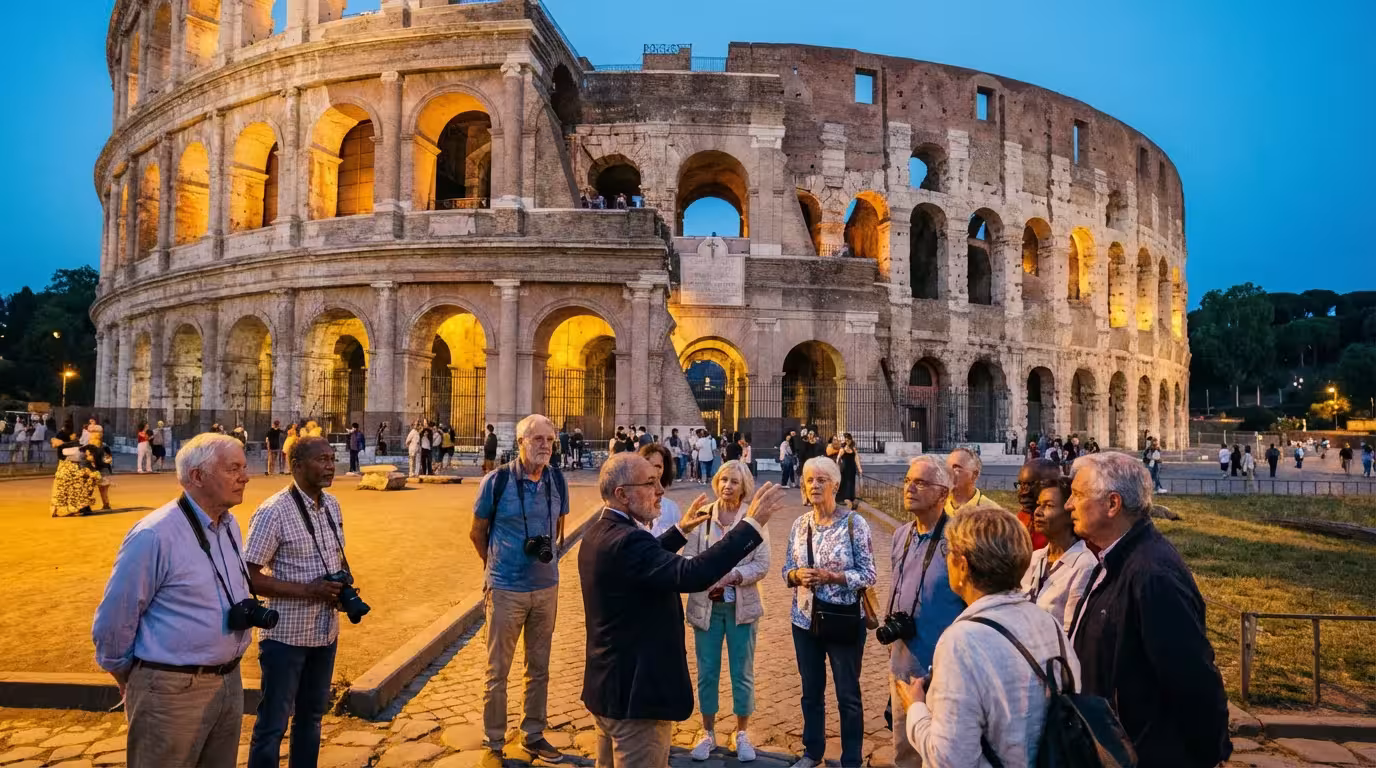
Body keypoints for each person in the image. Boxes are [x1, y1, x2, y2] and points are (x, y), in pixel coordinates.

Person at [578, 452, 784, 768]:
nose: (660, 490)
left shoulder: (601, 532)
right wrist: (751, 524)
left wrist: (681, 529)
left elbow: (646, 563)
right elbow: (693, 574)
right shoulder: (629, 540)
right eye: (650, 483)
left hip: (608, 690)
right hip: (636, 699)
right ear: (622, 494)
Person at [92, 433, 254, 768]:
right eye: (234, 468)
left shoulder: (229, 525)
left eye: (244, 467)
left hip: (228, 681)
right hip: (171, 689)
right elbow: (114, 618)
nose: (245, 476)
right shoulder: (155, 534)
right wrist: (134, 678)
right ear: (198, 476)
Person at [1066, 452, 1232, 768]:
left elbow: (1193, 679)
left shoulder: (1151, 575)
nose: (1068, 505)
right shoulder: (1114, 558)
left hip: (1143, 754)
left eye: (1077, 495)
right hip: (1116, 748)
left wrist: (1207, 755)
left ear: (1112, 504)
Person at [894, 506, 1082, 767]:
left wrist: (915, 708)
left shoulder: (961, 642)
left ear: (962, 565)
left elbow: (950, 759)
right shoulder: (1047, 622)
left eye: (948, 553)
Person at [244, 436, 357, 768]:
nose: (329, 466)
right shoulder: (273, 512)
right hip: (286, 638)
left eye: (331, 459)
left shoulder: (332, 505)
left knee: (311, 718)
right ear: (296, 465)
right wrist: (308, 591)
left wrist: (341, 586)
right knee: (273, 725)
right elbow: (248, 576)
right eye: (321, 459)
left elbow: (333, 559)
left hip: (324, 634)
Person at [469, 415, 569, 767]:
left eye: (550, 440)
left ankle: (534, 734)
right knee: (498, 671)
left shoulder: (557, 480)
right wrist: (494, 567)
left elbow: (559, 528)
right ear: (522, 441)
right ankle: (494, 741)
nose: (545, 445)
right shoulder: (496, 482)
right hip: (506, 588)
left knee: (539, 666)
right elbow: (477, 532)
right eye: (538, 439)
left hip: (546, 587)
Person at [782, 457, 878, 768]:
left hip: (843, 619)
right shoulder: (799, 525)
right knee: (811, 690)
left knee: (847, 695)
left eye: (822, 480)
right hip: (804, 618)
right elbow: (786, 570)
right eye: (810, 480)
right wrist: (798, 576)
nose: (815, 485)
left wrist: (833, 577)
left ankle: (851, 758)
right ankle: (812, 751)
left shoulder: (853, 523)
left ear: (835, 485)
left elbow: (868, 574)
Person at [685, 460, 771, 763]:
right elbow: (690, 556)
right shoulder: (703, 515)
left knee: (742, 673)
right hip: (707, 607)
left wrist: (733, 575)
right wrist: (708, 575)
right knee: (707, 672)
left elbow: (762, 564)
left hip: (740, 608)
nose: (727, 486)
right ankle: (707, 732)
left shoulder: (753, 519)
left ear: (744, 486)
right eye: (723, 480)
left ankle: (742, 732)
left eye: (734, 481)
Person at [886, 456, 965, 767]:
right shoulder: (900, 535)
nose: (910, 488)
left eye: (920, 482)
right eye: (907, 481)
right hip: (903, 662)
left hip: (945, 669)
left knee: (941, 755)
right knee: (904, 751)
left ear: (943, 493)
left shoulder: (958, 539)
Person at [1021, 477, 1096, 632]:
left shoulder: (1084, 566)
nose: (1038, 512)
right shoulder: (1035, 558)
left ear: (1070, 511)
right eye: (1038, 505)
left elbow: (1071, 633)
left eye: (1048, 505)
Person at [640, 443, 683, 537]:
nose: (653, 470)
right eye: (648, 464)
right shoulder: (632, 505)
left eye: (658, 466)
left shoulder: (671, 508)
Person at [945, 447, 1002, 515]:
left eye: (956, 468)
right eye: (947, 467)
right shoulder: (936, 504)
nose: (949, 472)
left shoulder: (991, 512)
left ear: (974, 475)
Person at [1014, 458, 1055, 551]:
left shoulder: (1060, 526)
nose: (1022, 493)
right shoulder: (1021, 517)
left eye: (1031, 485)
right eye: (1021, 485)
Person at [51, 446, 99, 516]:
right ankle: (79, 507)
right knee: (80, 489)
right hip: (69, 475)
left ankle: (57, 509)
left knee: (62, 493)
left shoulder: (79, 454)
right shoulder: (80, 456)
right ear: (89, 452)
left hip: (63, 474)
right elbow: (82, 470)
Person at [835, 434, 862, 509]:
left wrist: (859, 468)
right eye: (846, 440)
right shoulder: (842, 449)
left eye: (849, 440)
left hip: (852, 468)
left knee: (851, 482)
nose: (848, 441)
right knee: (845, 483)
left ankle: (850, 497)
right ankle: (845, 497)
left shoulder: (854, 449)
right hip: (845, 469)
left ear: (851, 440)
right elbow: (838, 459)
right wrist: (838, 467)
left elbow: (856, 459)